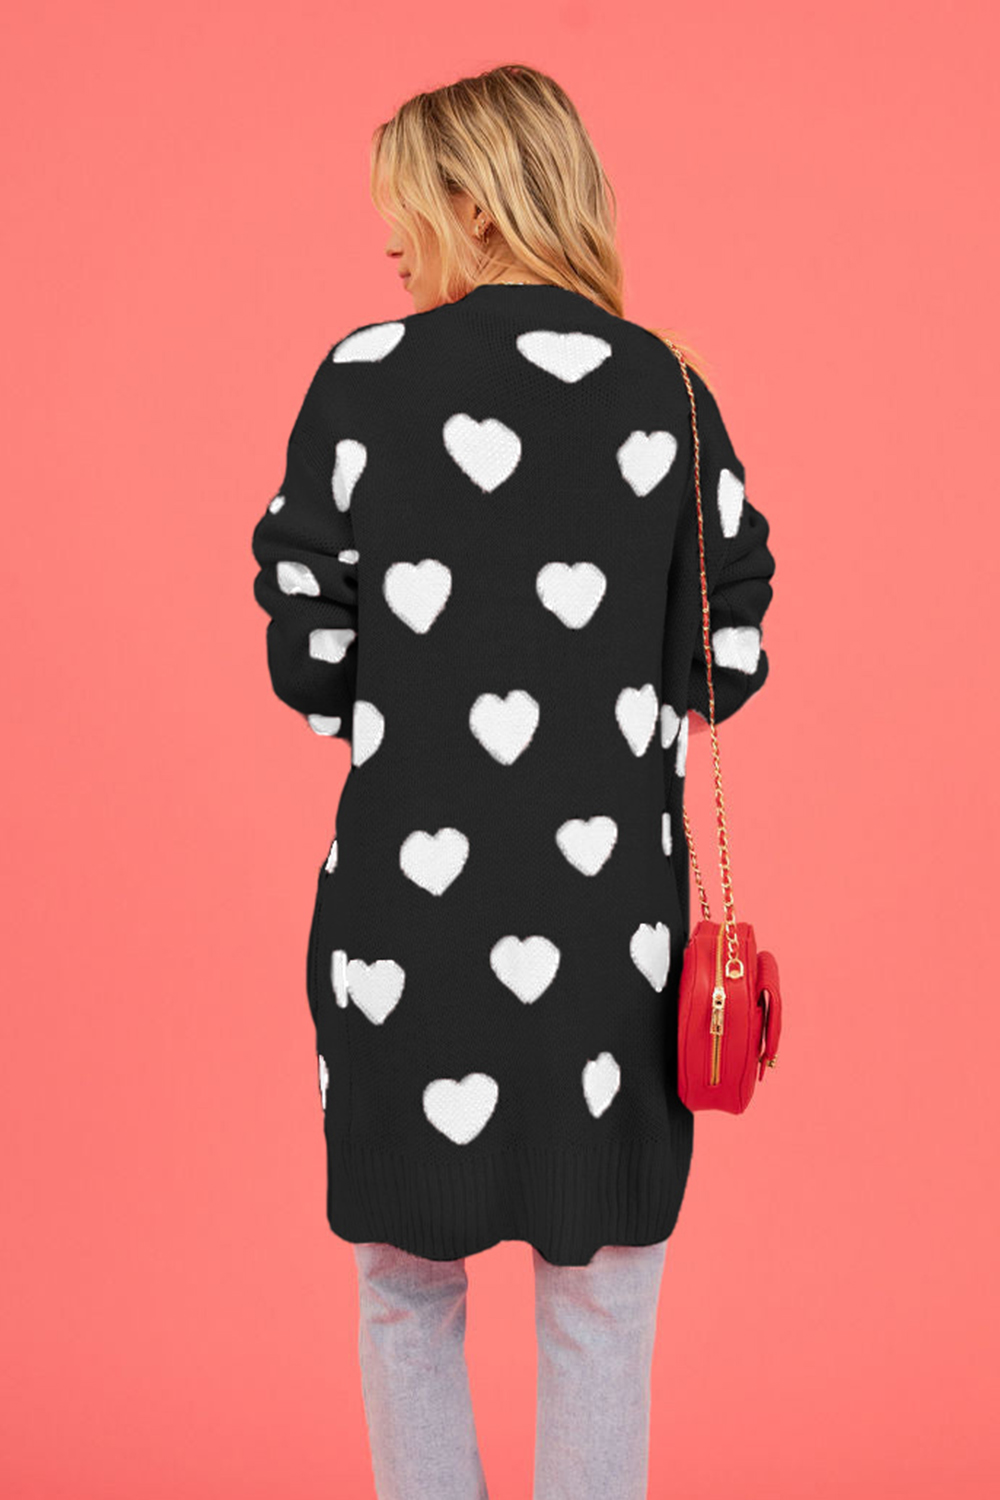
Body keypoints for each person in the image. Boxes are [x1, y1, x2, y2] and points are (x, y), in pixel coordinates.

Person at [250, 62, 776, 1500]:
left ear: (476, 203)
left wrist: (413, 709)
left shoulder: (363, 381)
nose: (392, 240)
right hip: (609, 928)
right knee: (603, 1295)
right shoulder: (667, 390)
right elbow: (728, 652)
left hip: (402, 929)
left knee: (404, 1286)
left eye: (406, 208)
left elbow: (305, 648)